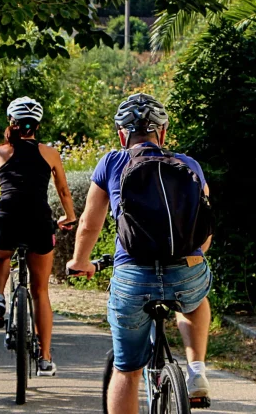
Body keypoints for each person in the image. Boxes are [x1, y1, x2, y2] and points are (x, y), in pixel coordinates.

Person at [66, 93, 213, 414]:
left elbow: (90, 225)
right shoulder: (189, 165)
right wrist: (190, 257)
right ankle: (197, 370)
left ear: (122, 134)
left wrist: (80, 262)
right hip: (186, 270)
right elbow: (206, 230)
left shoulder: (111, 163)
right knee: (196, 299)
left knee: (127, 370)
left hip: (133, 275)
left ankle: (135, 373)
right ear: (162, 132)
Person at [0, 97, 77, 376]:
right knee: (40, 291)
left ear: (11, 122)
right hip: (39, 222)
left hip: (6, 220)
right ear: (37, 125)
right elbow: (64, 191)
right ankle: (45, 358)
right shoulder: (50, 153)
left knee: (0, 254)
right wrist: (69, 217)